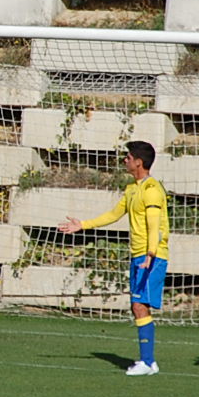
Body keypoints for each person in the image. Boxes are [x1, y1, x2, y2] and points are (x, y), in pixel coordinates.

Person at [56, 140, 168, 376]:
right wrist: (83, 225)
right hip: (139, 255)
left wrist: (151, 253)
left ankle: (147, 362)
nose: (124, 160)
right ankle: (148, 361)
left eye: (128, 157)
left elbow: (154, 224)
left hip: (150, 257)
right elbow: (114, 214)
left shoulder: (152, 189)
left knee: (139, 306)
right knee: (137, 306)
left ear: (139, 161)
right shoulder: (132, 189)